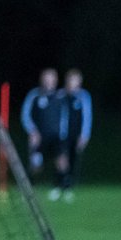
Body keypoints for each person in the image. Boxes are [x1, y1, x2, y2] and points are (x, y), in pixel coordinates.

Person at [19, 68, 61, 188]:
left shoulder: (60, 96)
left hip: (55, 137)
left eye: (51, 79)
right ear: (41, 80)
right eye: (46, 79)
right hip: (37, 137)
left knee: (61, 161)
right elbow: (25, 114)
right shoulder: (34, 95)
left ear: (55, 80)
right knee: (36, 165)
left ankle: (61, 188)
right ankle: (27, 186)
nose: (48, 82)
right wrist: (32, 130)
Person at [60, 68, 93, 201]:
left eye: (76, 80)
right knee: (62, 158)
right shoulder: (61, 95)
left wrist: (85, 135)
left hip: (77, 135)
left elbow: (87, 116)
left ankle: (68, 186)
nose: (74, 82)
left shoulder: (84, 96)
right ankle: (59, 184)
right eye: (71, 79)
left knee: (73, 159)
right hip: (63, 134)